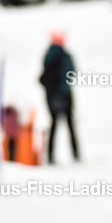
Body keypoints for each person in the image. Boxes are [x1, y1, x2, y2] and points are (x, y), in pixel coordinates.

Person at [39, 31, 80, 164]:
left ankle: (50, 155)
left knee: (54, 124)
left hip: (50, 95)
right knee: (70, 124)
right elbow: (71, 74)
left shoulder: (47, 55)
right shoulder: (65, 56)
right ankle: (76, 154)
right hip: (65, 94)